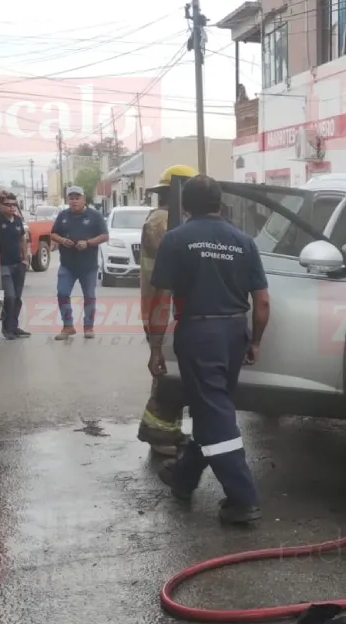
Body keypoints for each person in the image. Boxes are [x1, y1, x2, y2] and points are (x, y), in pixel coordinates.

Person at [146, 174, 271, 525]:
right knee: (211, 407)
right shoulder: (243, 241)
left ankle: (243, 498)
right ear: (220, 204)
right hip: (234, 331)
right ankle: (184, 479)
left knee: (216, 414)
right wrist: (255, 340)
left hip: (199, 333)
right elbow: (261, 302)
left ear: (186, 206)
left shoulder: (176, 239)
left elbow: (161, 301)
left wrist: (156, 348)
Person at [136, 164, 198, 458]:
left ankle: (167, 430)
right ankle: (159, 434)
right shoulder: (163, 221)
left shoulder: (166, 219)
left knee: (169, 370)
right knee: (166, 371)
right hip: (164, 308)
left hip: (162, 308)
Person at [50, 186, 109, 340]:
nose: (74, 201)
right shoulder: (63, 216)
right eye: (71, 198)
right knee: (62, 293)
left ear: (84, 199)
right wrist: (62, 240)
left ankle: (88, 327)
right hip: (67, 265)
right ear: (68, 200)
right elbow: (53, 234)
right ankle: (67, 326)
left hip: (88, 266)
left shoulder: (95, 216)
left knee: (89, 296)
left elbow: (104, 236)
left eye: (77, 198)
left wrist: (88, 243)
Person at [0, 189, 31, 340]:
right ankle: (6, 328)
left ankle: (14, 327)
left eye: (14, 205)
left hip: (18, 264)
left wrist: (25, 258)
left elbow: (23, 239)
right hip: (3, 265)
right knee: (9, 297)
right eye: (8, 205)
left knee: (17, 298)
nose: (11, 207)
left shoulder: (17, 220)